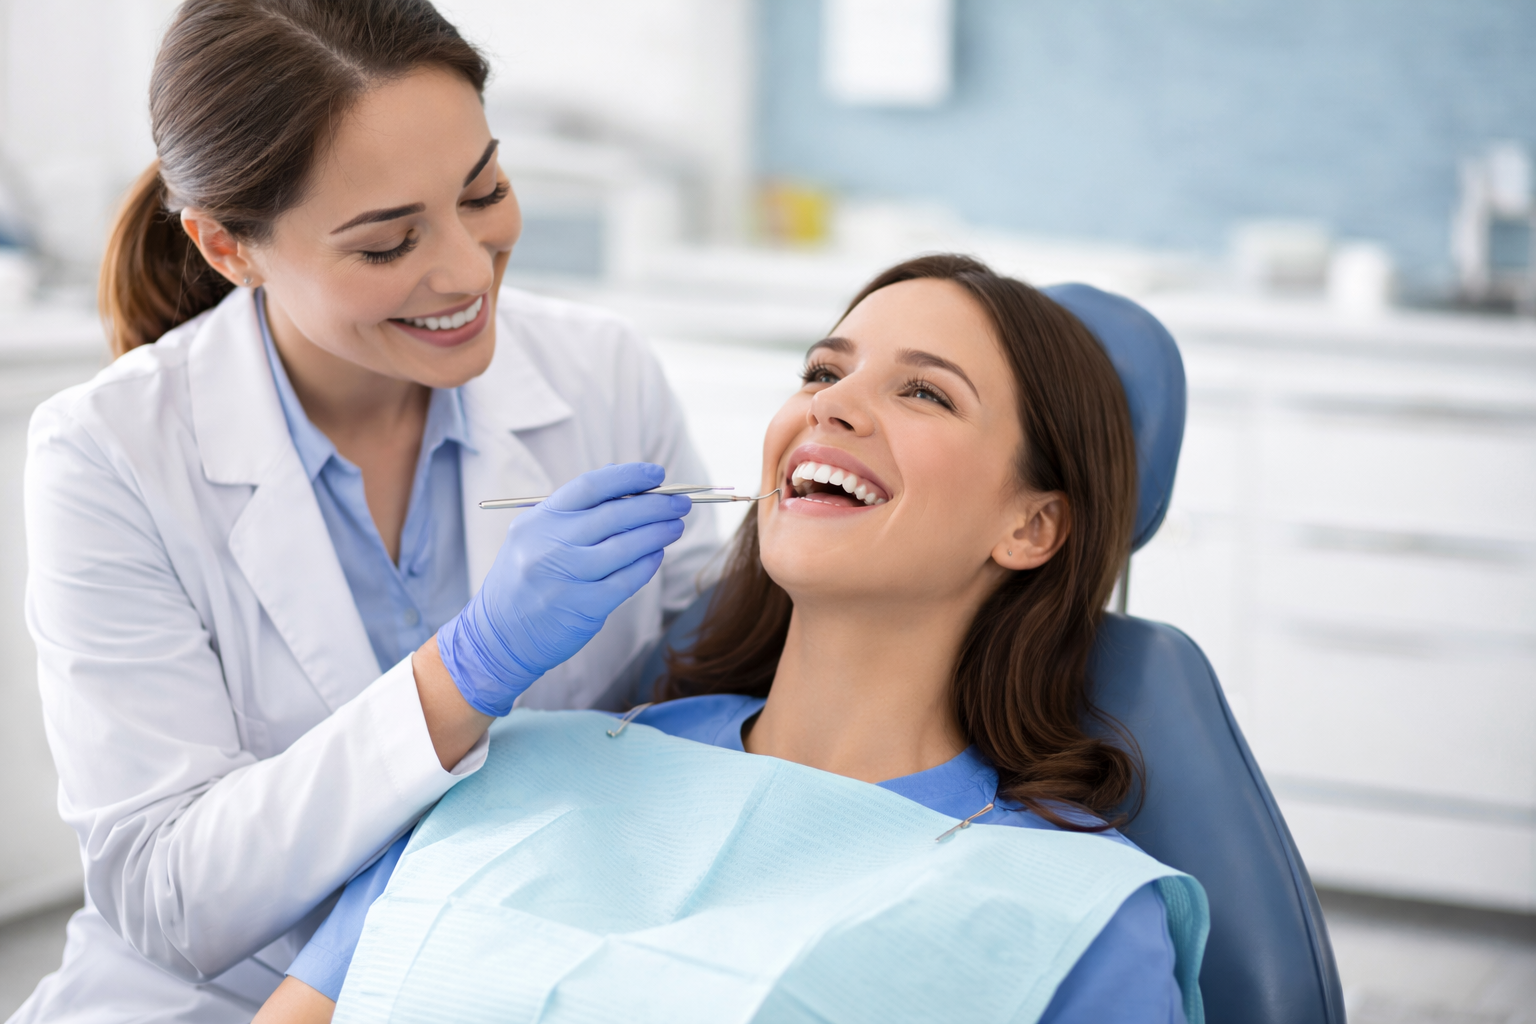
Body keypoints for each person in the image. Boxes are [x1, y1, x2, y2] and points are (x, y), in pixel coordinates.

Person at [255, 255, 1201, 1023]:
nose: (827, 406)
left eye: (925, 394)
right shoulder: (509, 768)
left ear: (1032, 527)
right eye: (824, 373)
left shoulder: (1074, 917)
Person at [15, 2, 717, 1019]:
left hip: (513, 961)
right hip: (212, 993)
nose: (471, 271)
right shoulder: (109, 453)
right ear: (227, 247)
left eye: (486, 192)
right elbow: (166, 894)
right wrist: (467, 670)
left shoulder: (601, 371)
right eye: (388, 246)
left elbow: (709, 667)